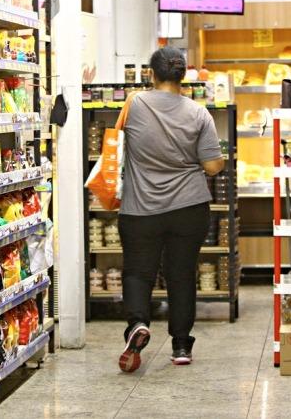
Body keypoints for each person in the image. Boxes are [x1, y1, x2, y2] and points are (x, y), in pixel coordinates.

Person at [117, 47, 224, 372]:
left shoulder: (134, 103)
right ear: (183, 77)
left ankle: (137, 323)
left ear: (152, 74)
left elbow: (116, 142)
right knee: (181, 275)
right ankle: (180, 346)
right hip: (188, 208)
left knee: (138, 271)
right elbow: (212, 166)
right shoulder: (198, 113)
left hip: (140, 208)